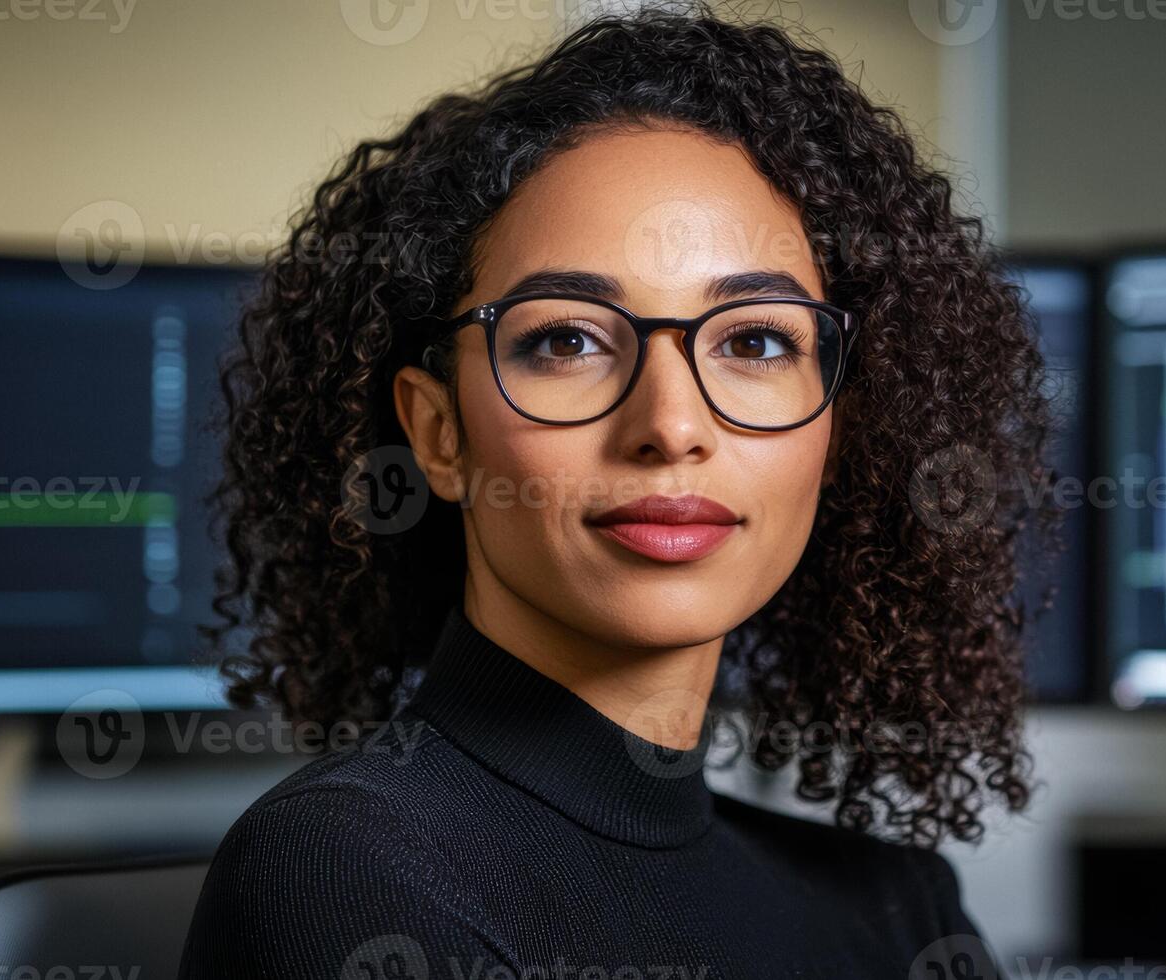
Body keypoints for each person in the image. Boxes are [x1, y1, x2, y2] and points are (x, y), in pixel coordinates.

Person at [180, 6, 1061, 978]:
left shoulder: (897, 902)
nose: (671, 424)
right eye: (567, 340)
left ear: (840, 425)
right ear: (439, 434)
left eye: (754, 341)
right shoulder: (342, 873)